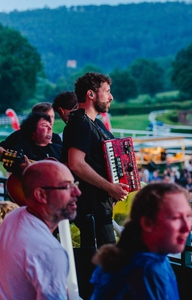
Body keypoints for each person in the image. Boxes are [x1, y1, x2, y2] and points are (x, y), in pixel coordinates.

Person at [90, 183, 192, 299]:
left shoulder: (150, 258)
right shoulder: (145, 272)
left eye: (188, 216)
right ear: (147, 223)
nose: (187, 227)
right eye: (176, 218)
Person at [62, 72, 128, 248]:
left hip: (100, 205)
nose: (111, 97)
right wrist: (109, 187)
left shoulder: (95, 124)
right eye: (106, 91)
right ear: (91, 94)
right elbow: (76, 163)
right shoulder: (80, 123)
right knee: (104, 263)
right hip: (91, 207)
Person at [0, 160, 80, 299]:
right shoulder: (48, 251)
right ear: (41, 195)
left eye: (74, 184)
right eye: (66, 186)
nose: (77, 192)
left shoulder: (13, 217)